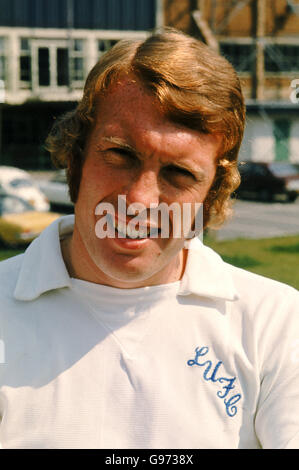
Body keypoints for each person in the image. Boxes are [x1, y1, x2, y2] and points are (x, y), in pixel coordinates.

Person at [0, 28, 298, 450]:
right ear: (76, 156)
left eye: (179, 174)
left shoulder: (275, 322)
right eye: (121, 154)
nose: (139, 200)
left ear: (211, 194)